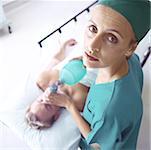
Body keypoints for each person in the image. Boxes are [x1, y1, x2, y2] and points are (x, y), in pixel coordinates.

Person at [42, 0, 150, 149]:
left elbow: (96, 144)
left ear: (130, 48)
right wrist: (87, 60)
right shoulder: (127, 61)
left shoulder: (110, 108)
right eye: (93, 28)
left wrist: (69, 104)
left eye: (112, 38)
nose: (92, 46)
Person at [25, 38, 90, 129]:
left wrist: (63, 47)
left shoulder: (43, 80)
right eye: (48, 106)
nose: (46, 97)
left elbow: (56, 60)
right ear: (57, 115)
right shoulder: (78, 101)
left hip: (85, 44)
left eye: (40, 100)